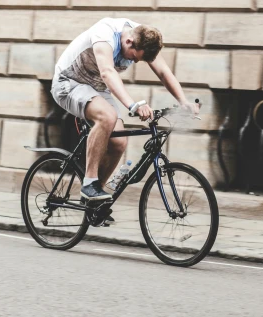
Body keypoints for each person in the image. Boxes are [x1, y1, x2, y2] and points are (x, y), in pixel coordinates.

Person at [51, 17, 200, 202]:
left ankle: (95, 198)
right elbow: (107, 72)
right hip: (69, 83)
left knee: (119, 143)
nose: (134, 62)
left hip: (97, 88)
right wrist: (133, 104)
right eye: (134, 57)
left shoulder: (145, 37)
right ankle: (89, 183)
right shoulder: (105, 33)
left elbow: (163, 72)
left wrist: (183, 101)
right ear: (129, 41)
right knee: (107, 116)